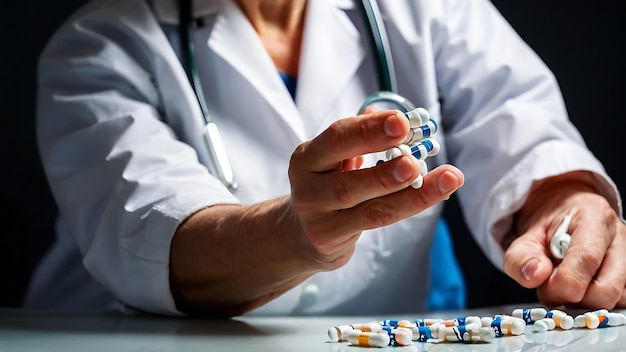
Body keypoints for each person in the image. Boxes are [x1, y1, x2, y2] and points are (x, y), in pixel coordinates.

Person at [26, 0, 625, 317]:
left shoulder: (430, 9)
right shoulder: (100, 46)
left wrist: (562, 201)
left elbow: (518, 120)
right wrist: (295, 236)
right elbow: (148, 237)